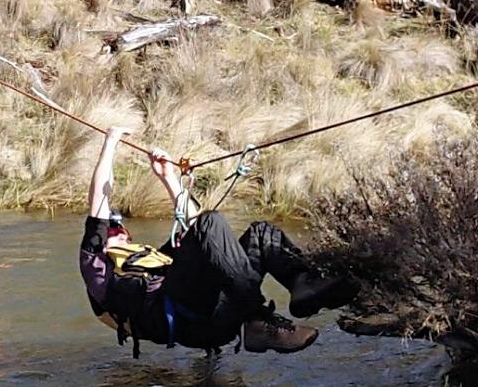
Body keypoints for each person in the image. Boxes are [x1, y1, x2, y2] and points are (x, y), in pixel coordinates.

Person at [79, 127, 359, 358]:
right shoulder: (98, 269)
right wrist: (110, 143)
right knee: (209, 222)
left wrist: (169, 179)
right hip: (193, 323)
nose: (116, 230)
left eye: (120, 228)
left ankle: (302, 282)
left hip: (216, 310)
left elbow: (195, 228)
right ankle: (257, 318)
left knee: (260, 234)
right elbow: (98, 206)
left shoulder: (156, 260)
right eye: (111, 228)